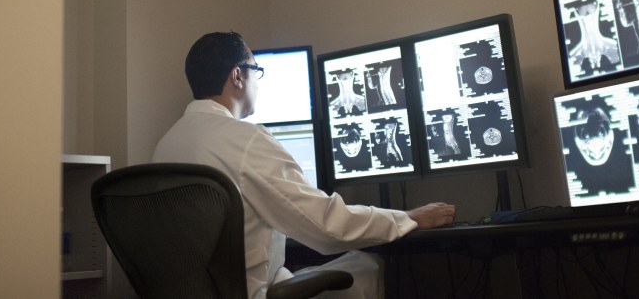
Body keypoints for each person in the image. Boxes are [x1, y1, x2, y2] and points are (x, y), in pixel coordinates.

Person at [152, 31, 456, 299]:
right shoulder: (245, 139)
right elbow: (326, 227)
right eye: (255, 70)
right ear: (237, 76)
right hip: (251, 292)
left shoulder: (165, 145)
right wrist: (408, 218)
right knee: (367, 264)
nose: (257, 82)